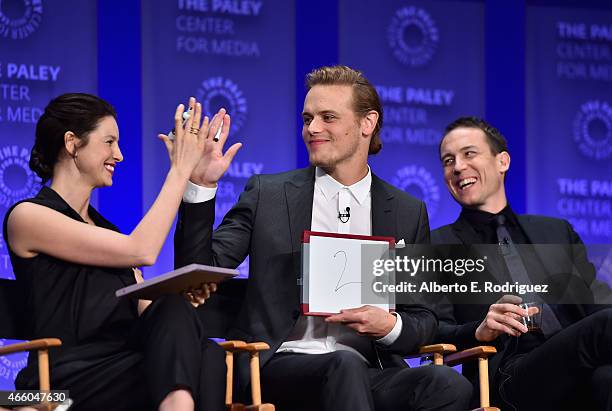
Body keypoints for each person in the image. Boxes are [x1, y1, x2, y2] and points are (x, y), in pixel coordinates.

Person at [174, 65, 472, 411]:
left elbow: (424, 318)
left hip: (370, 367)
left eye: (328, 117)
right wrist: (201, 187)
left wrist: (389, 326)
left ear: (367, 124)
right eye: (307, 118)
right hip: (278, 366)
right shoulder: (268, 194)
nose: (312, 128)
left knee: (448, 384)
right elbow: (196, 273)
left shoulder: (406, 211)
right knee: (342, 368)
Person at [3, 93, 238, 411]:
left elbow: (145, 309)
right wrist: (179, 171)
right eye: (109, 142)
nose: (120, 155)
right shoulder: (28, 217)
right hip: (52, 387)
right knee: (198, 360)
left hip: (117, 368)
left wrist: (181, 301)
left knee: (206, 351)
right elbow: (142, 250)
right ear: (72, 143)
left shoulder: (108, 232)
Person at [432, 116, 612, 410]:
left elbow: (598, 301)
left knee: (607, 378)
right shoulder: (437, 245)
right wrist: (478, 329)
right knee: (605, 328)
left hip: (579, 361)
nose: (458, 167)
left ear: (502, 161)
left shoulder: (556, 231)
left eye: (469, 154)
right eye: (448, 160)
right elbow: (430, 328)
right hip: (508, 374)